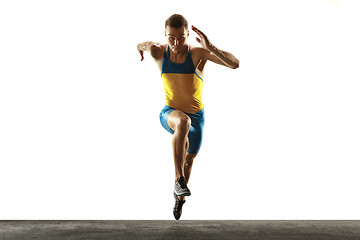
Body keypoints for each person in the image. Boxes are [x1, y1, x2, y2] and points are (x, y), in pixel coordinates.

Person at [137, 14, 239, 220]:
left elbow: (234, 64)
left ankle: (179, 198)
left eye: (181, 38)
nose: (176, 43)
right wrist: (142, 49)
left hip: (197, 117)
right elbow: (141, 45)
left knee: (190, 159)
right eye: (171, 38)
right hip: (170, 114)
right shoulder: (158, 51)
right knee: (183, 121)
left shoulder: (199, 54)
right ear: (165, 35)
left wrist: (211, 47)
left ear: (187, 35)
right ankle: (178, 179)